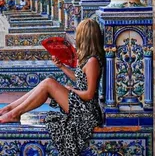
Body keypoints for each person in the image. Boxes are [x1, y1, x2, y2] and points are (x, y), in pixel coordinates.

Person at [0, 19, 104, 156]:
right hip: (81, 105)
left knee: (49, 83)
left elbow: (90, 94)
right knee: (47, 82)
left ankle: (13, 114)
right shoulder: (88, 58)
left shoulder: (92, 62)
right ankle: (10, 109)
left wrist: (71, 90)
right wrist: (61, 66)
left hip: (87, 112)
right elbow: (79, 79)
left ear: (84, 37)